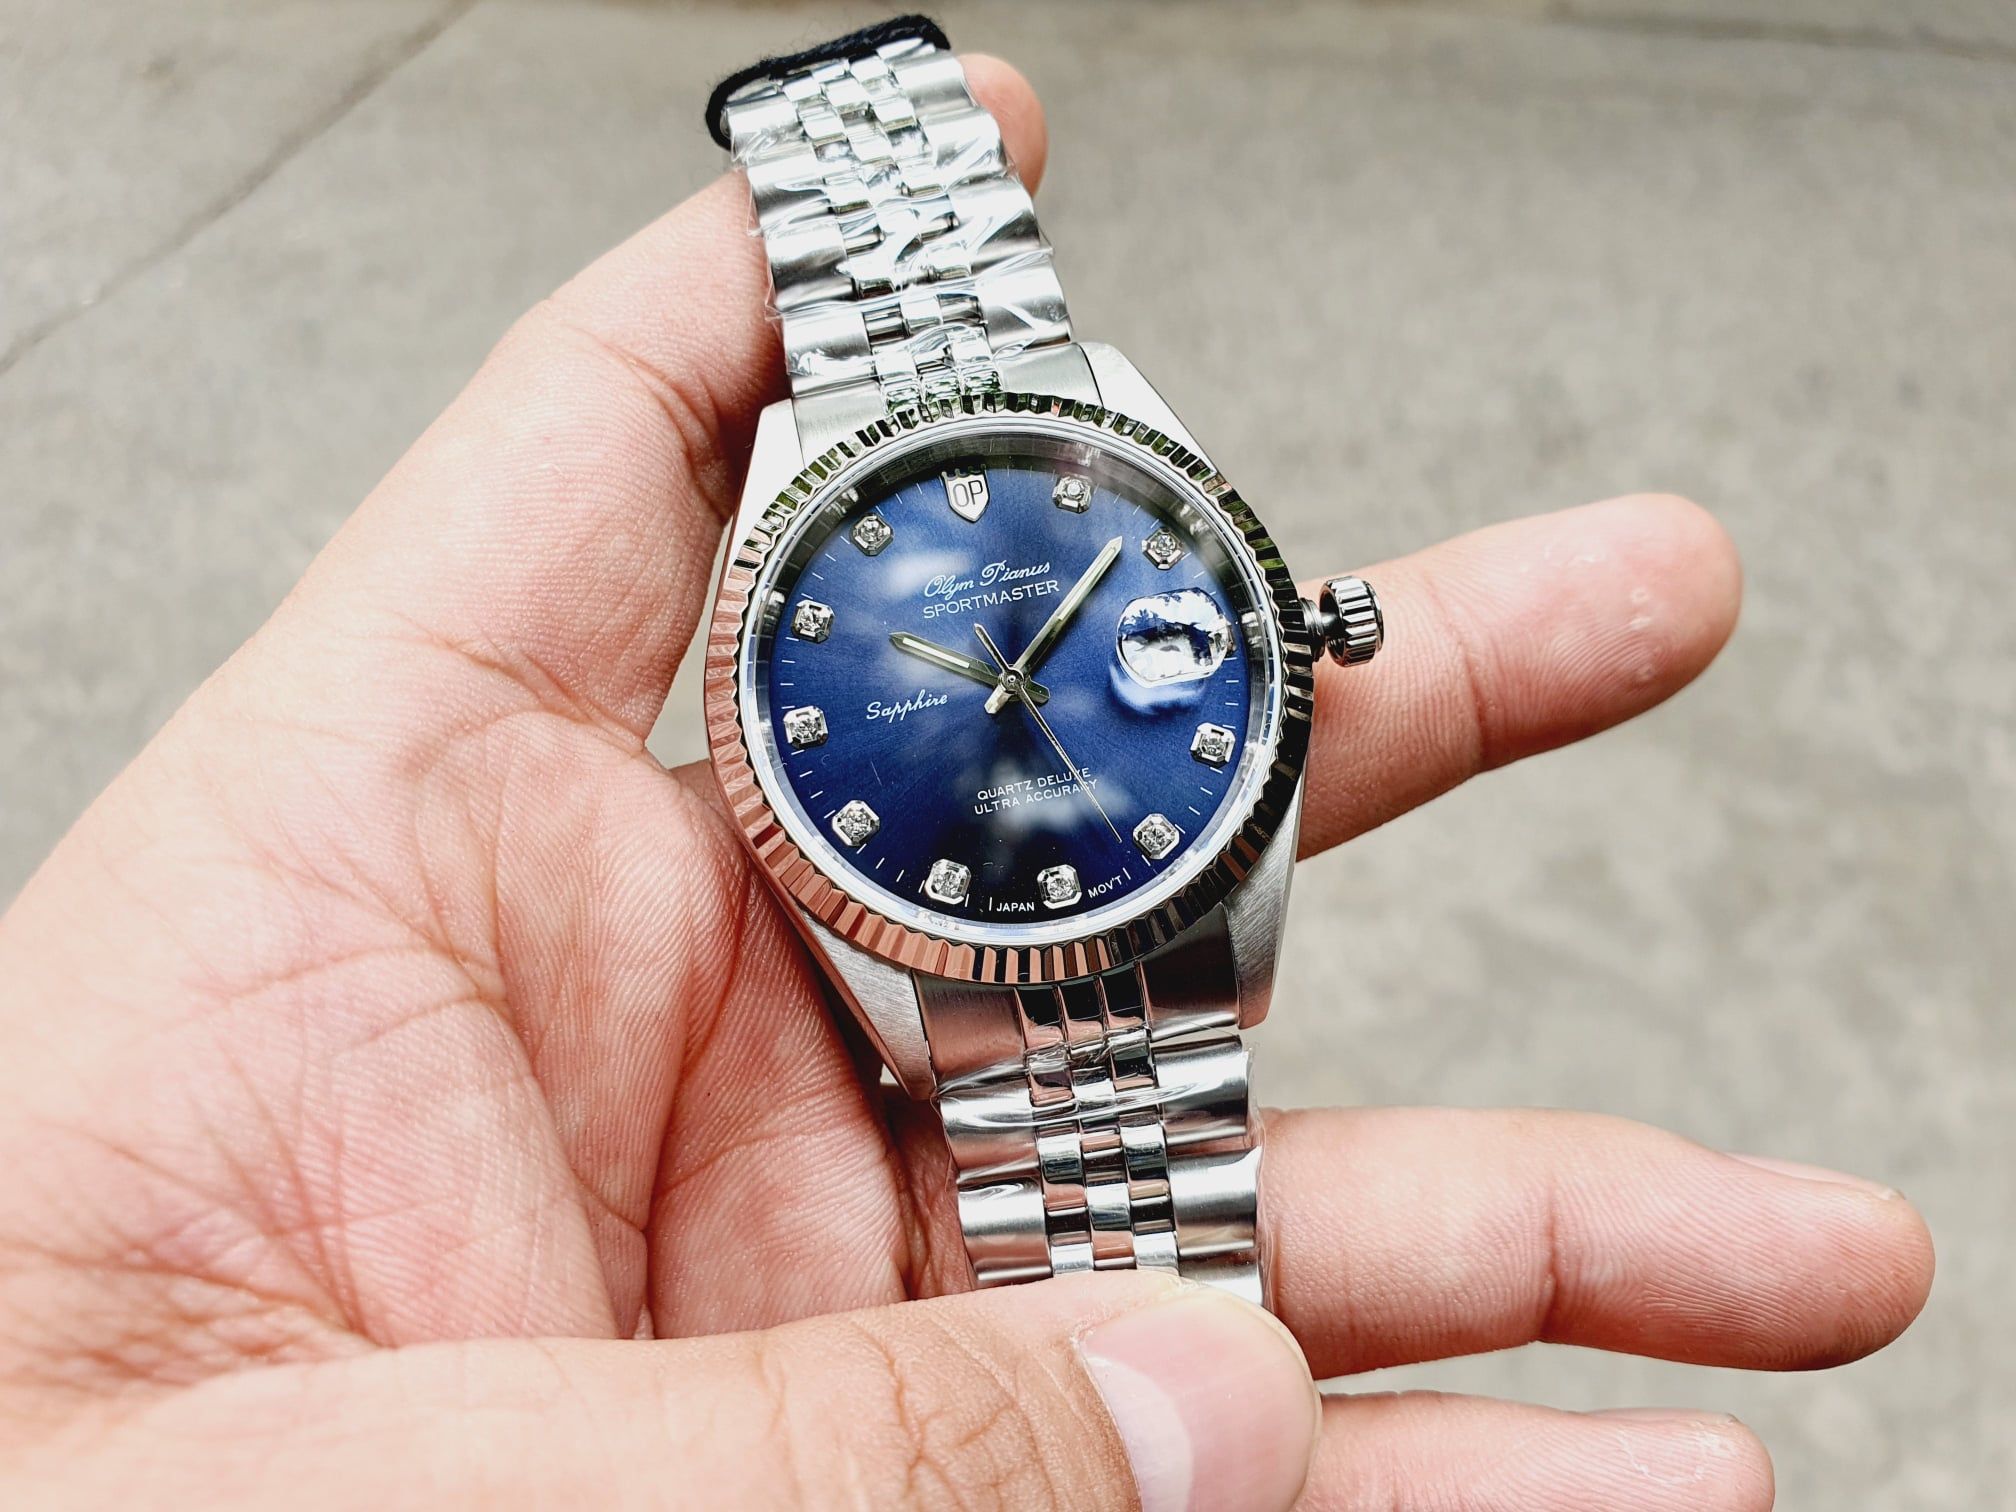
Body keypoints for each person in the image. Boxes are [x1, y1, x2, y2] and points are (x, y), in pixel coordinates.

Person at [0, 55, 1930, 1512]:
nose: (1010, 673)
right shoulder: (800, 688)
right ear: (764, 730)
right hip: (974, 939)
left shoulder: (1085, 528)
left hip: (1128, 891)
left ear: (1299, 630)